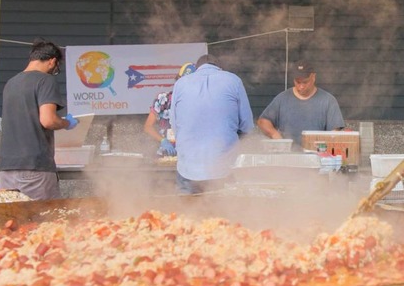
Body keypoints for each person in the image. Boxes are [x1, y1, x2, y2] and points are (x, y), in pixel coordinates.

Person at [0, 39, 79, 200]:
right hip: (34, 168)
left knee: (11, 221)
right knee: (44, 220)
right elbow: (48, 120)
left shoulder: (11, 83)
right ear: (52, 61)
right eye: (56, 69)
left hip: (6, 169)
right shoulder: (45, 80)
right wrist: (66, 123)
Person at [170, 54, 253, 194]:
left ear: (197, 68)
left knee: (185, 213)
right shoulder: (234, 80)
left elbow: (174, 125)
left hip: (188, 167)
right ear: (220, 68)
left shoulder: (180, 84)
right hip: (223, 166)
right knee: (223, 213)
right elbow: (247, 125)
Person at [257, 60, 345, 146]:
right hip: (286, 157)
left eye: (305, 82)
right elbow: (263, 121)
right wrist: (276, 136)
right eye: (298, 82)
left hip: (317, 157)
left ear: (313, 77)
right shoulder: (282, 98)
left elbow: (335, 133)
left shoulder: (328, 100)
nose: (301, 86)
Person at [142, 62, 196, 157]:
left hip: (189, 155)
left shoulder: (199, 103)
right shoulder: (163, 99)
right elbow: (148, 127)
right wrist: (163, 140)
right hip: (164, 154)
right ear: (178, 80)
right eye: (183, 81)